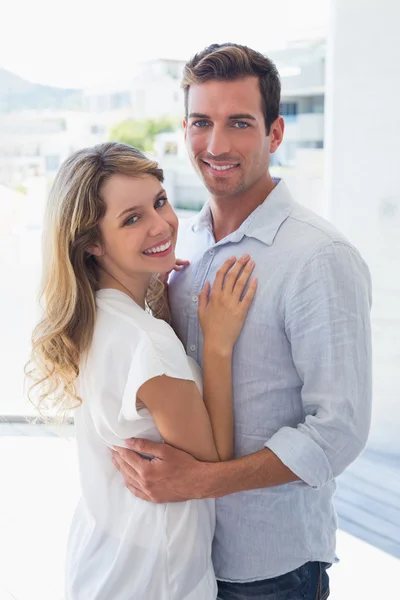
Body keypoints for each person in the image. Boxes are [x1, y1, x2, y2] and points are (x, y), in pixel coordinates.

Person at [112, 43, 373, 600]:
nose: (217, 145)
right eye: (202, 122)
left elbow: (339, 432)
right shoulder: (181, 243)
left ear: (275, 134)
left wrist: (200, 482)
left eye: (240, 123)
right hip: (178, 558)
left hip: (266, 568)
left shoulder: (318, 257)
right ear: (184, 128)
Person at [25, 141, 257, 599]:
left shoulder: (93, 317)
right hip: (154, 577)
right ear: (91, 242)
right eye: (131, 219)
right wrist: (218, 345)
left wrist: (156, 292)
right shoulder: (146, 341)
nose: (161, 225)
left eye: (159, 202)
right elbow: (210, 467)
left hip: (107, 558)